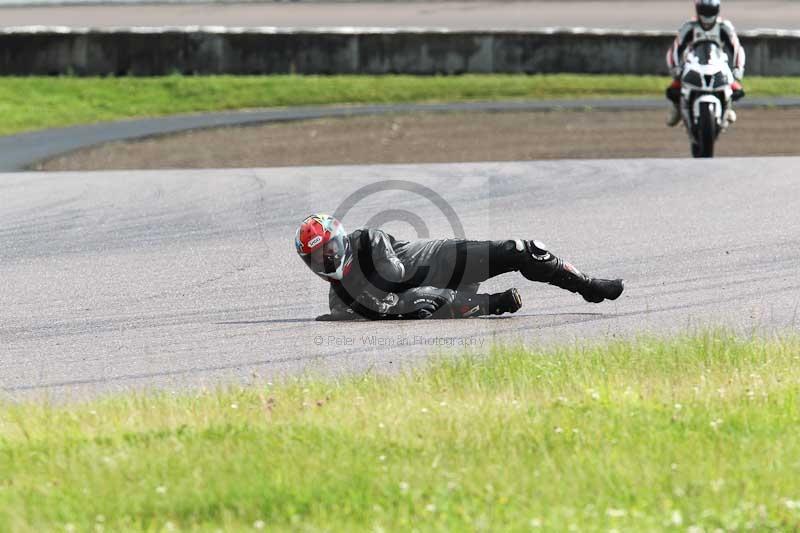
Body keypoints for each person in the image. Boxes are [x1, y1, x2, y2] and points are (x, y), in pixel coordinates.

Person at [295, 214, 624, 321]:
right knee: (415, 303)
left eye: (329, 250)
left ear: (341, 239)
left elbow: (394, 275)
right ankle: (495, 304)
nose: (326, 260)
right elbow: (396, 305)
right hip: (440, 294)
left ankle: (589, 286)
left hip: (445, 259)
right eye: (317, 259)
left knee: (524, 250)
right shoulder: (337, 301)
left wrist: (365, 300)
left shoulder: (367, 239)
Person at [665, 0, 745, 127]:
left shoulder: (724, 27)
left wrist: (738, 68)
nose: (707, 15)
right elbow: (675, 48)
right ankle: (679, 109)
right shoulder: (689, 26)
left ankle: (727, 107)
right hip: (693, 63)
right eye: (704, 11)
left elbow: (737, 48)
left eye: (710, 11)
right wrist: (674, 68)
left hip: (718, 64)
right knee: (673, 90)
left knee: (737, 90)